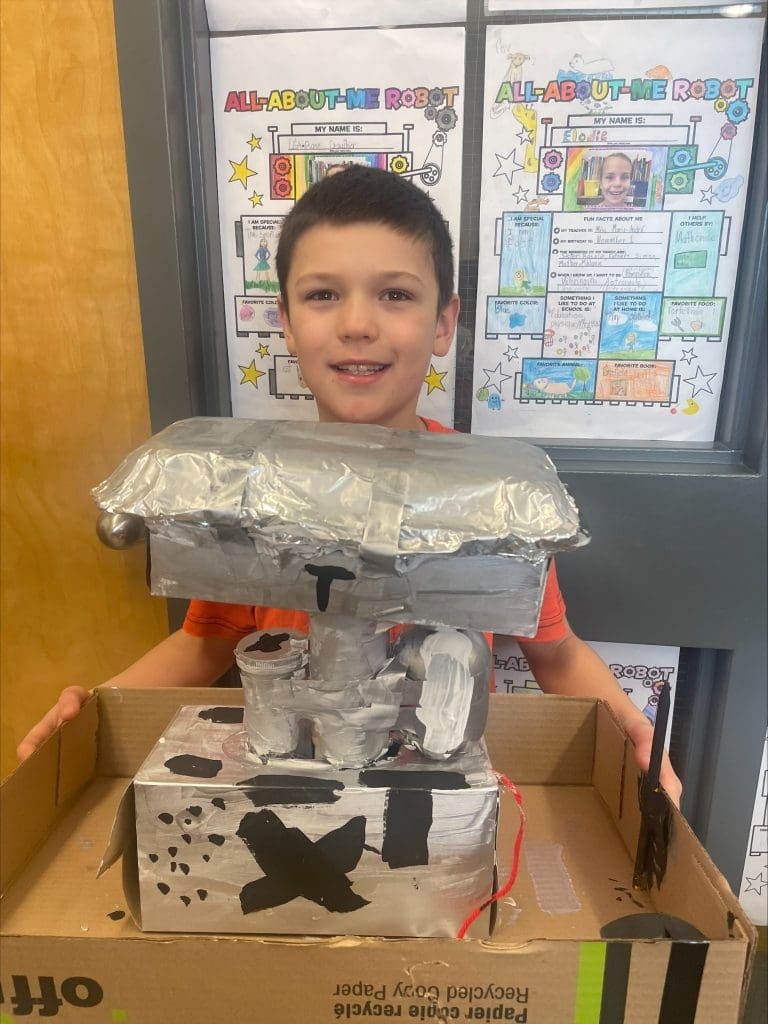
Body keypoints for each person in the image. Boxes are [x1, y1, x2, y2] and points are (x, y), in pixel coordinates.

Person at [17, 166, 681, 805]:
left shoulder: (492, 498)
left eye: (395, 294)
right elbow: (204, 642)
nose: (358, 323)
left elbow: (555, 652)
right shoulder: (248, 488)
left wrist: (630, 727)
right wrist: (96, 710)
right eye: (322, 294)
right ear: (285, 320)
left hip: (433, 791)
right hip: (293, 791)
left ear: (443, 322)